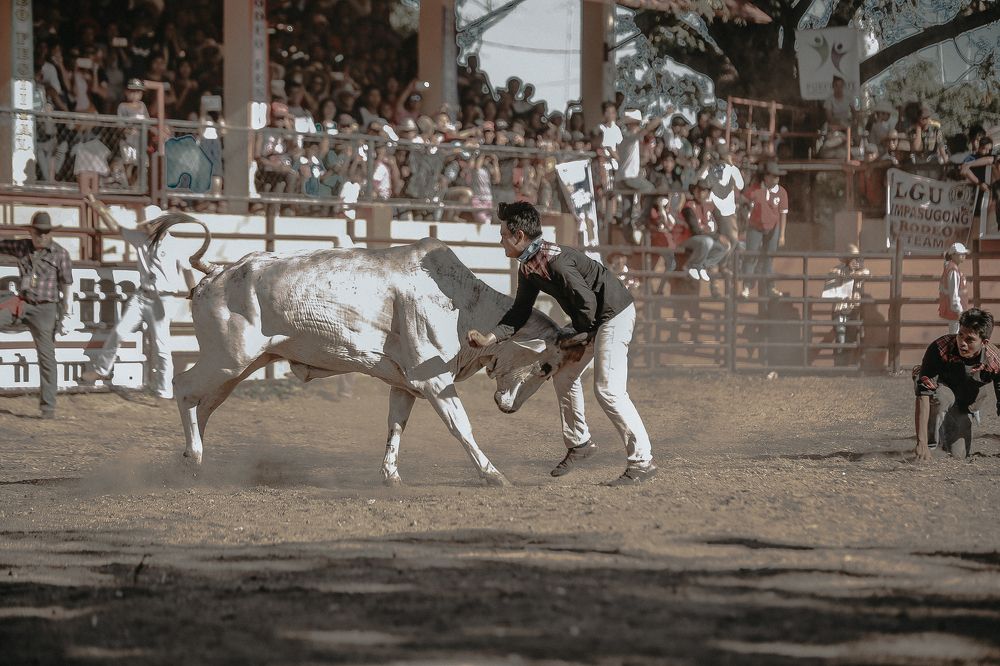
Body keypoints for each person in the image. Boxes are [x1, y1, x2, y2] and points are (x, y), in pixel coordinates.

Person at [466, 201, 656, 485]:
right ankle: (579, 443)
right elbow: (519, 313)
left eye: (504, 234)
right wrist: (488, 339)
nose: (501, 240)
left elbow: (588, 303)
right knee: (565, 376)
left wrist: (580, 333)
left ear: (519, 236)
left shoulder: (556, 262)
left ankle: (642, 461)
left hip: (612, 315)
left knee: (608, 389)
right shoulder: (529, 267)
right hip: (594, 320)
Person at [80, 197, 195, 399]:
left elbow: (187, 271)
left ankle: (163, 389)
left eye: (151, 224)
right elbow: (115, 227)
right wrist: (99, 208)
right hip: (143, 295)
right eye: (146, 224)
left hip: (163, 299)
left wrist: (194, 292)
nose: (147, 227)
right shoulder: (141, 238)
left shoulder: (175, 245)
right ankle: (102, 369)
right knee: (119, 331)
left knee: (161, 344)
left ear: (160, 223)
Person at [0, 212, 74, 418]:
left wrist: (66, 314)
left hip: (46, 308)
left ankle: (48, 407)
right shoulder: (22, 246)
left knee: (47, 356)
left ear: (50, 233)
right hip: (22, 303)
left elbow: (67, 285)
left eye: (44, 232)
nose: (41, 236)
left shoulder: (60, 253)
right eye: (37, 232)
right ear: (31, 231)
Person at [913, 308, 1000, 460]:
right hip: (942, 391)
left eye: (970, 339)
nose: (963, 343)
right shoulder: (940, 348)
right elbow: (924, 394)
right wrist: (922, 442)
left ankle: (950, 430)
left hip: (966, 403)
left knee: (958, 456)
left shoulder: (994, 360)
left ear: (984, 342)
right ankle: (931, 443)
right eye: (961, 335)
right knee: (940, 397)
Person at [741, 162, 788, 298]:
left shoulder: (782, 192)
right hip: (755, 227)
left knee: (769, 258)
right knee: (751, 256)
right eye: (773, 176)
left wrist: (782, 235)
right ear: (766, 177)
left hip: (773, 228)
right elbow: (742, 200)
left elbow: (783, 214)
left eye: (777, 177)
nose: (776, 179)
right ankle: (746, 286)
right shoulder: (755, 190)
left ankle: (770, 287)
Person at [939, 242, 970, 335]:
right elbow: (954, 293)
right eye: (961, 254)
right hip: (955, 309)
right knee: (955, 334)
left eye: (964, 254)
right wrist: (958, 310)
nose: (963, 256)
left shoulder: (951, 267)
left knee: (956, 333)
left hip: (955, 308)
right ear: (954, 255)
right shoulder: (953, 271)